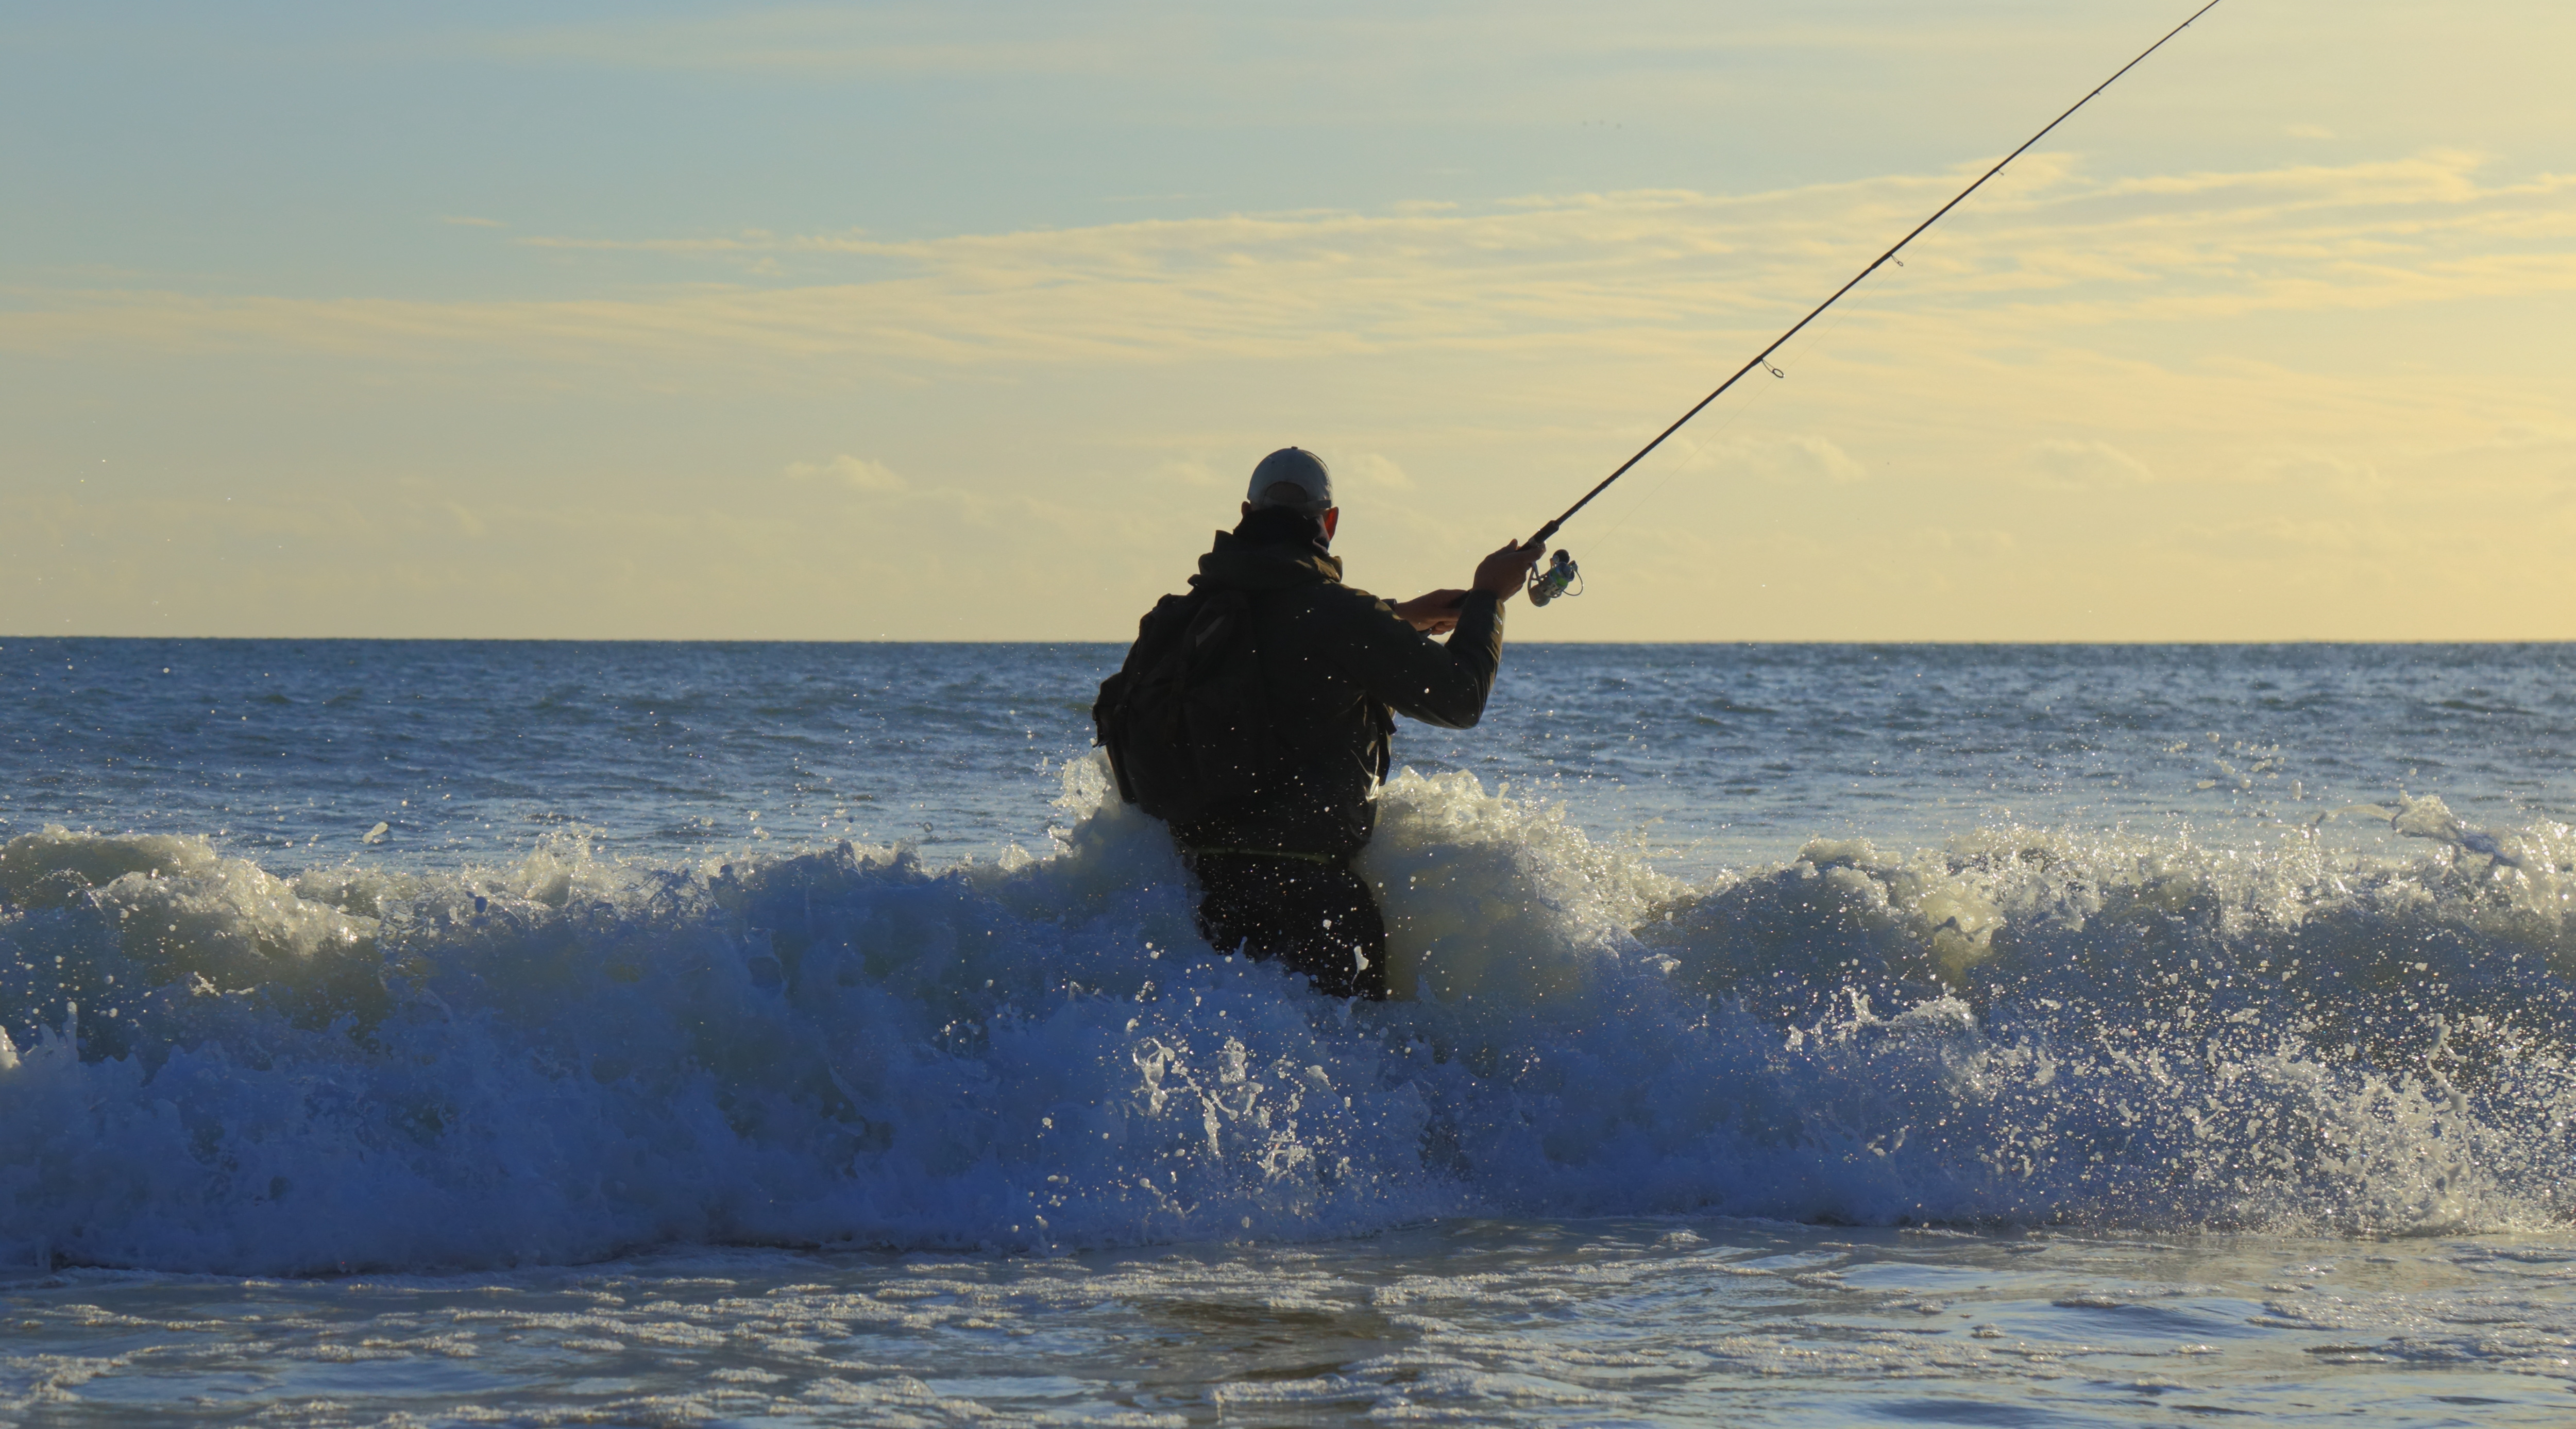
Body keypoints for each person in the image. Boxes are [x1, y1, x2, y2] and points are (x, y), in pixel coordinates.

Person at [1119, 446, 1541, 999]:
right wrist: (1487, 595)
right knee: (1339, 1078)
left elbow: (1274, 635)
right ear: (1330, 523)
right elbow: (1460, 699)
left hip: (1196, 896)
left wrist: (1399, 617)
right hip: (1315, 904)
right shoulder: (1340, 614)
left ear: (1244, 516)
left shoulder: (1180, 616)